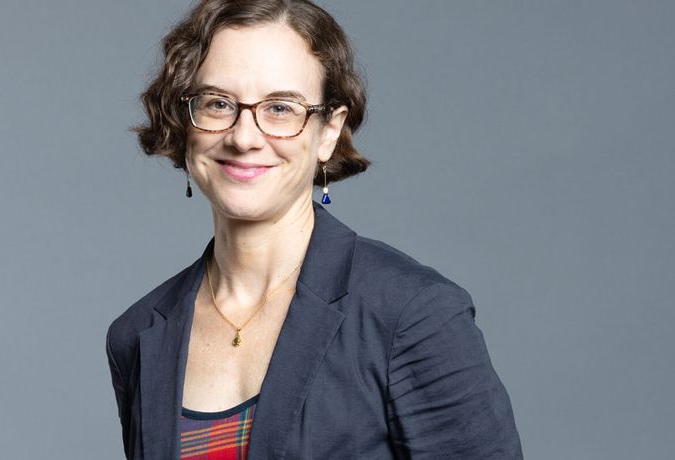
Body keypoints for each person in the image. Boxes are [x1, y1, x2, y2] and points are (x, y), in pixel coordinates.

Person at [106, 0, 523, 458]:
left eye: (281, 108)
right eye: (218, 103)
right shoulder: (138, 334)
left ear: (328, 132)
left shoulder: (413, 313)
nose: (244, 137)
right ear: (185, 123)